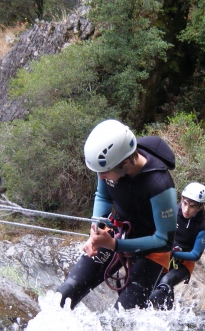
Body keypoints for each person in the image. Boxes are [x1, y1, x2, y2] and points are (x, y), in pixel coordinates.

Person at [57, 119, 177, 310]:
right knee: (63, 296)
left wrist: (115, 245)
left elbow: (164, 240)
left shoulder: (159, 185)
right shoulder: (111, 165)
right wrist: (96, 231)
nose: (100, 176)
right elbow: (103, 196)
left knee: (121, 318)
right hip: (118, 232)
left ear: (126, 163)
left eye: (103, 172)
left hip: (153, 251)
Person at [148, 182, 205, 310]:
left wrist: (173, 253)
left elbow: (195, 255)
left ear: (200, 207)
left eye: (192, 206)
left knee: (166, 282)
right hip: (164, 257)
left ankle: (168, 315)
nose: (186, 210)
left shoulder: (202, 226)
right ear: (181, 199)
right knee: (150, 286)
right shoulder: (172, 213)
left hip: (184, 263)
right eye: (185, 203)